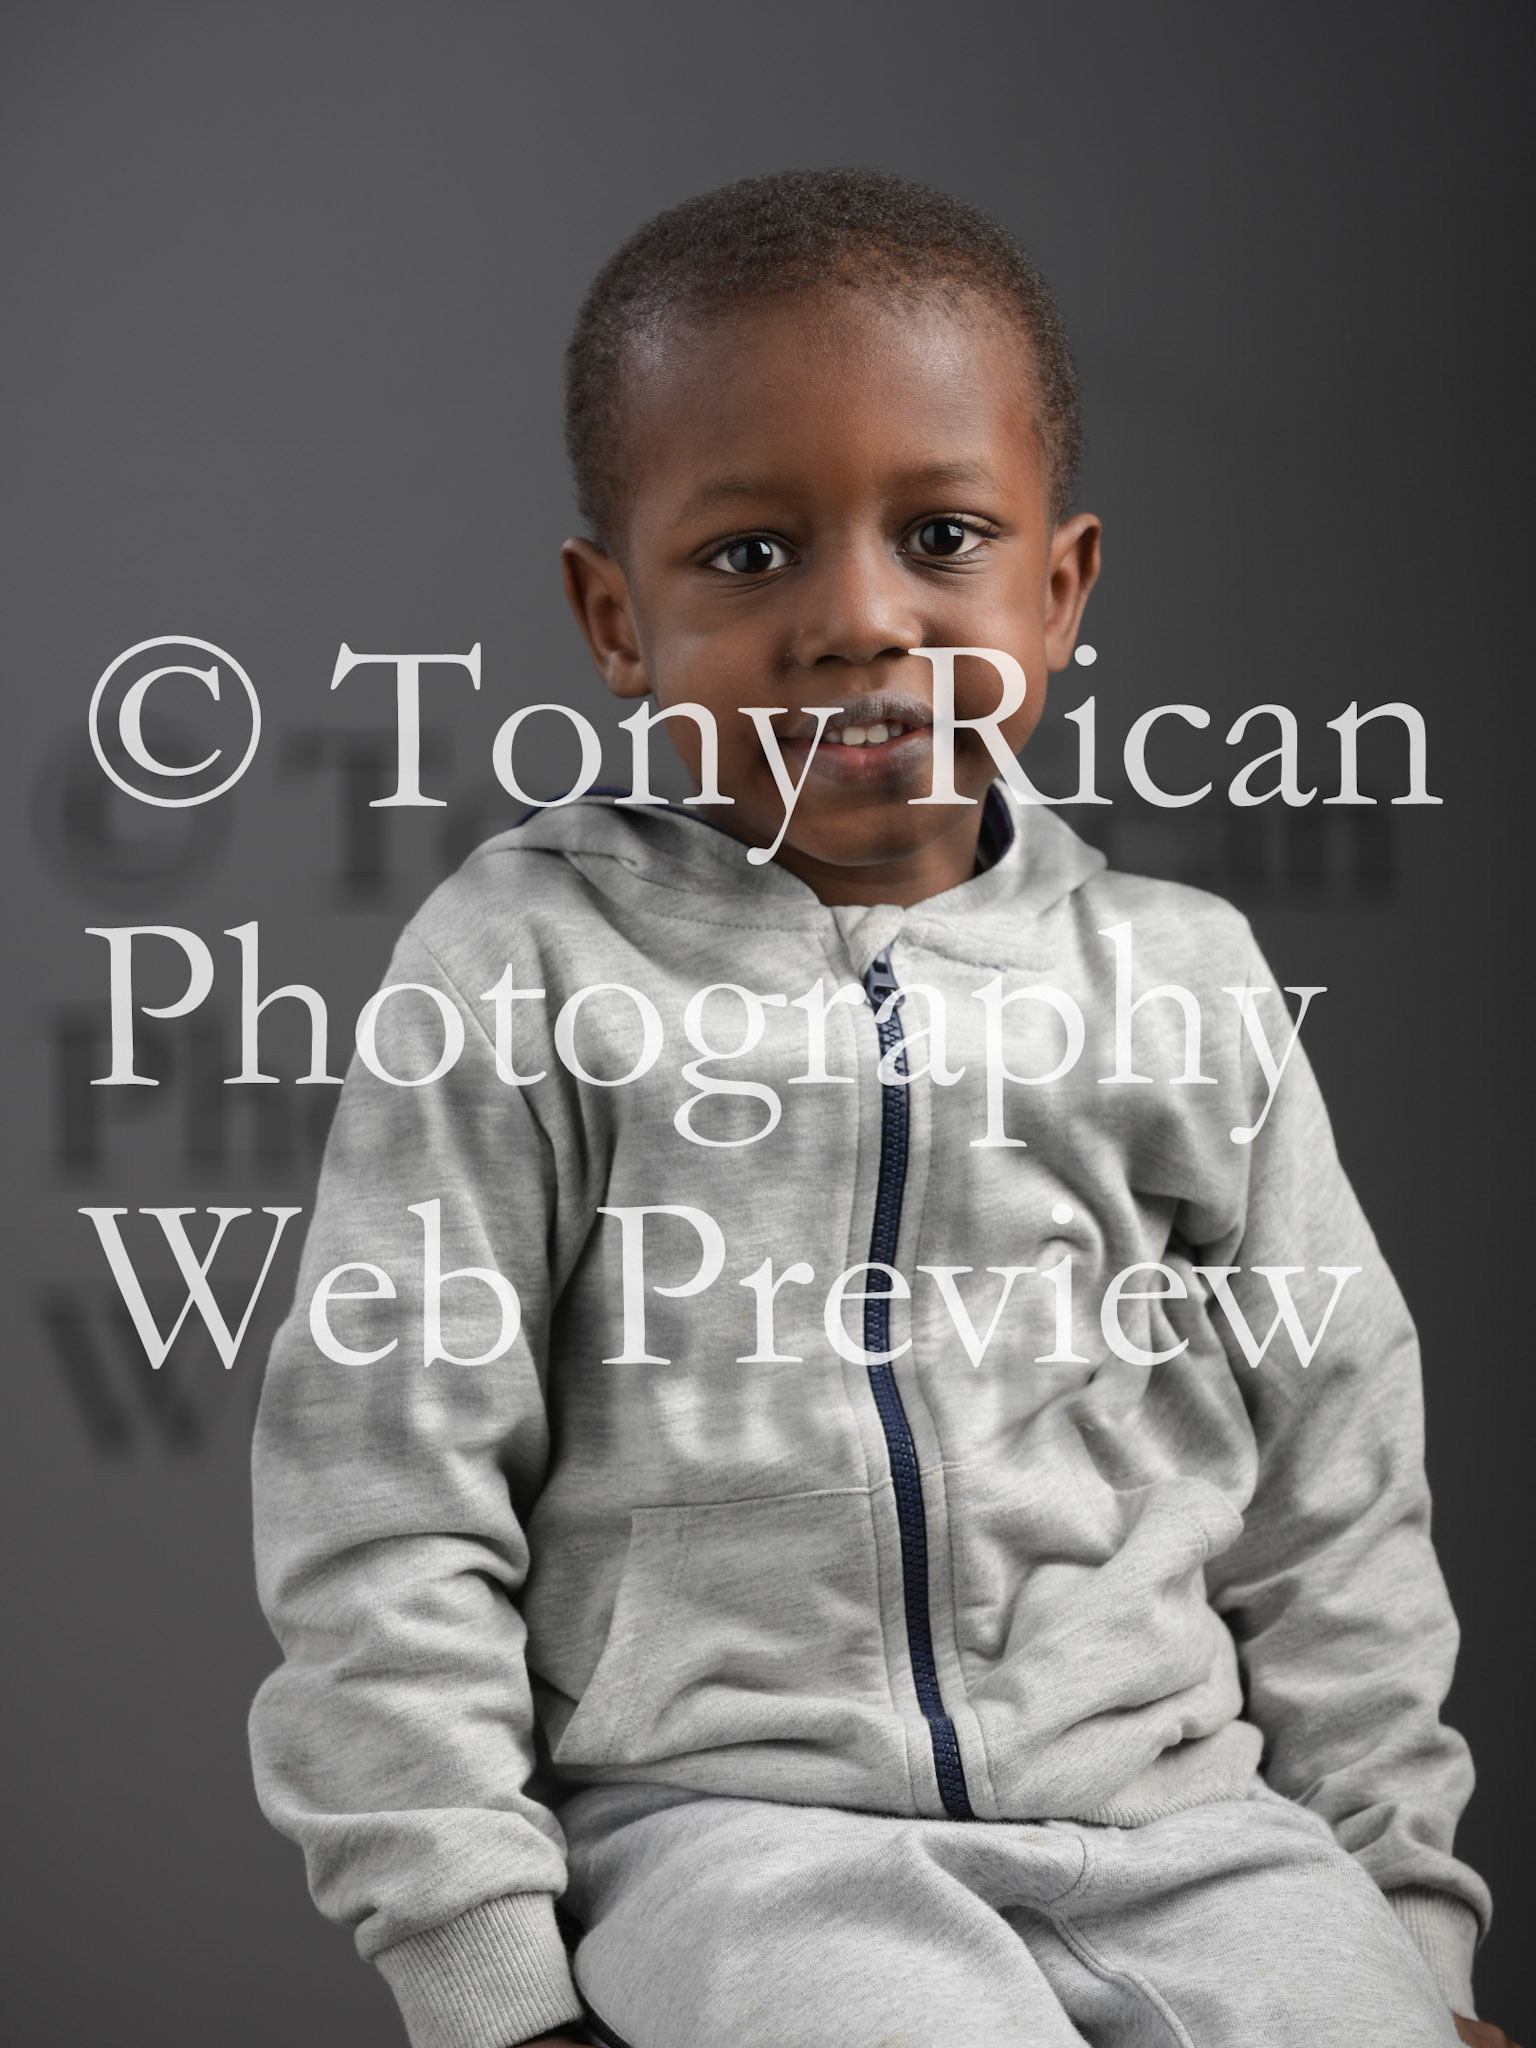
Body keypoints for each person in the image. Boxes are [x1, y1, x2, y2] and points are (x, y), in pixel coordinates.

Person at [249, 170, 1514, 2048]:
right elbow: (384, 1505)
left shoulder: (1186, 980)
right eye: (751, 552)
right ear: (615, 614)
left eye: (941, 536)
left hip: (1192, 1827)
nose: (858, 617)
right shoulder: (519, 967)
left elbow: (1337, 1491)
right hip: (737, 1848)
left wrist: (1407, 1930)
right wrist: (486, 1980)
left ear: (1058, 590)